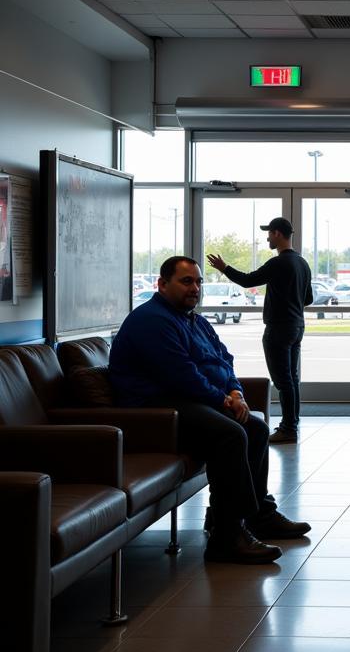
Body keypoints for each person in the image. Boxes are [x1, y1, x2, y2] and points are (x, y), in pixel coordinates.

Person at [110, 256, 310, 564]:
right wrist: (222, 400)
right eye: (186, 281)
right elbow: (180, 374)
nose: (195, 288)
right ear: (162, 284)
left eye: (199, 282)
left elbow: (223, 360)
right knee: (230, 434)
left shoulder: (194, 320)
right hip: (154, 413)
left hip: (187, 401)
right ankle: (226, 536)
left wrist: (235, 392)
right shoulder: (151, 320)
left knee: (255, 428)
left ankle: (259, 515)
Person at [207, 216, 313, 443]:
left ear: (277, 234)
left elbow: (247, 281)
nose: (267, 238)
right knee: (291, 379)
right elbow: (309, 298)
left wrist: (224, 267)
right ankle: (292, 424)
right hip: (297, 326)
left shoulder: (278, 263)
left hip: (278, 328)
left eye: (269, 233)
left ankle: (288, 429)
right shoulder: (302, 263)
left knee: (283, 381)